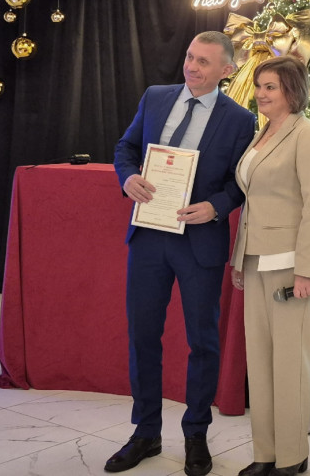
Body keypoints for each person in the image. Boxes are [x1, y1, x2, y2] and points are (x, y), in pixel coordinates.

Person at [108, 31, 256, 475]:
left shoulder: (240, 120)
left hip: (199, 243)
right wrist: (127, 177)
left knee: (202, 343)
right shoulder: (156, 97)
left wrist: (216, 206)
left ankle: (196, 434)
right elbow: (125, 147)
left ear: (226, 70)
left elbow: (240, 183)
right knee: (142, 336)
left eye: (204, 62)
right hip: (149, 237)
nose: (192, 66)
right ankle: (145, 433)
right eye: (190, 57)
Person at [230, 55, 310, 476]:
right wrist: (240, 259)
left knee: (289, 362)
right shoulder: (262, 134)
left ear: (292, 91)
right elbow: (254, 202)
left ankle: (292, 457)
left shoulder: (308, 135)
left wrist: (308, 269)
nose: (260, 93)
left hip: (291, 266)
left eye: (270, 86)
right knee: (261, 362)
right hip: (256, 259)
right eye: (259, 86)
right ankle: (265, 453)